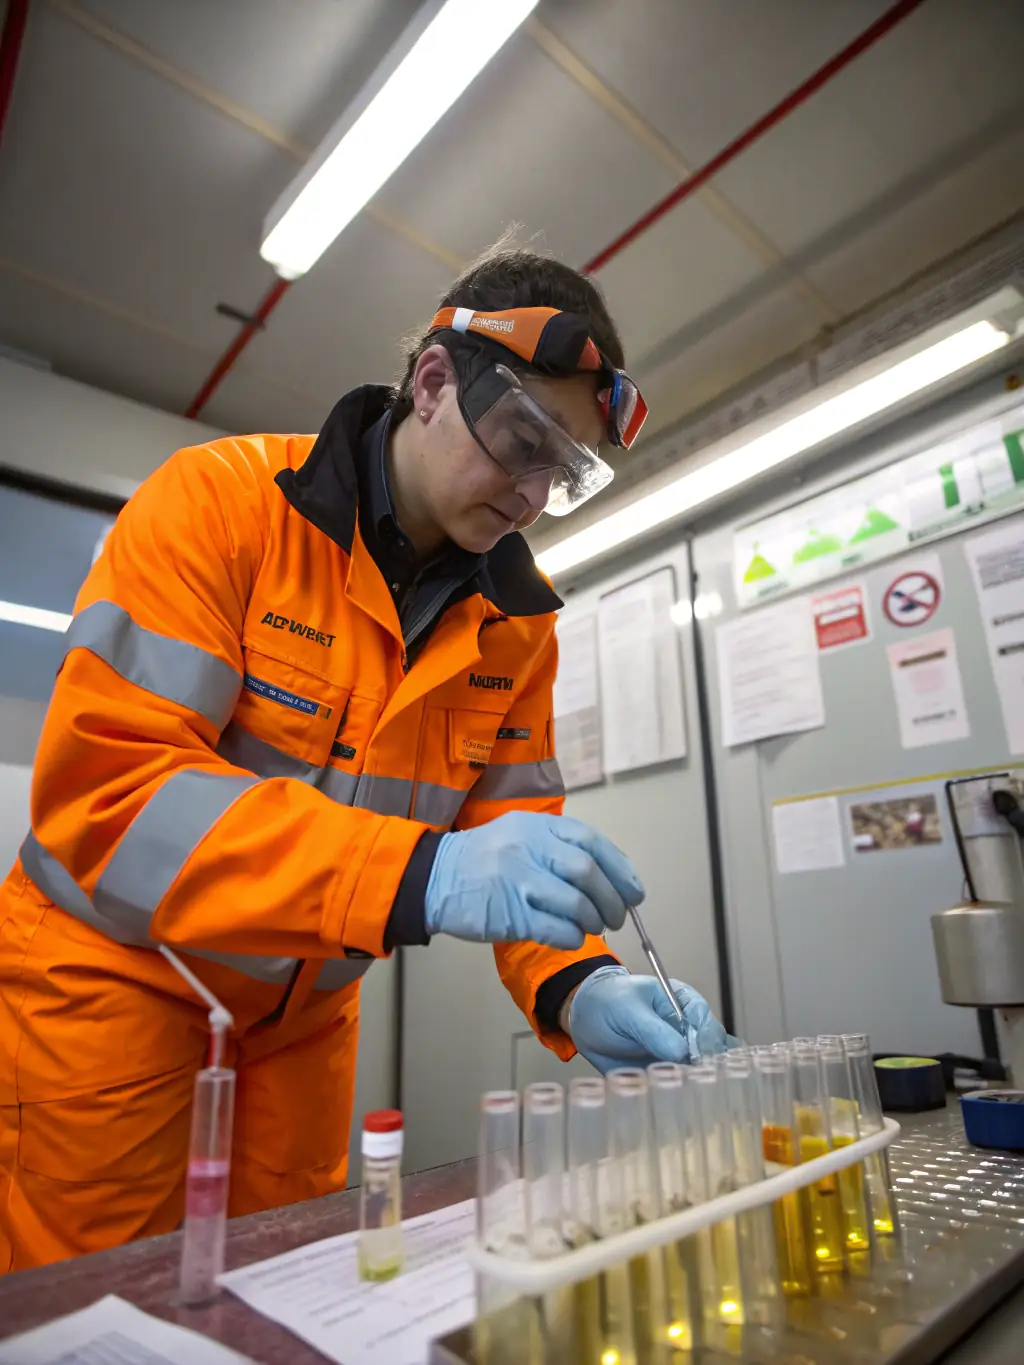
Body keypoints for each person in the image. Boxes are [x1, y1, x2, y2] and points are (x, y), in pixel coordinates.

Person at [0, 243, 730, 1271]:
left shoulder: (517, 625)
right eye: (524, 441)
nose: (529, 496)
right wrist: (419, 873)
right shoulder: (220, 507)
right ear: (433, 382)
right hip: (112, 983)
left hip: (302, 1023)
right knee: (94, 1302)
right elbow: (111, 796)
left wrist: (578, 986)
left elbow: (506, 842)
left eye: (562, 475)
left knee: (279, 1281)